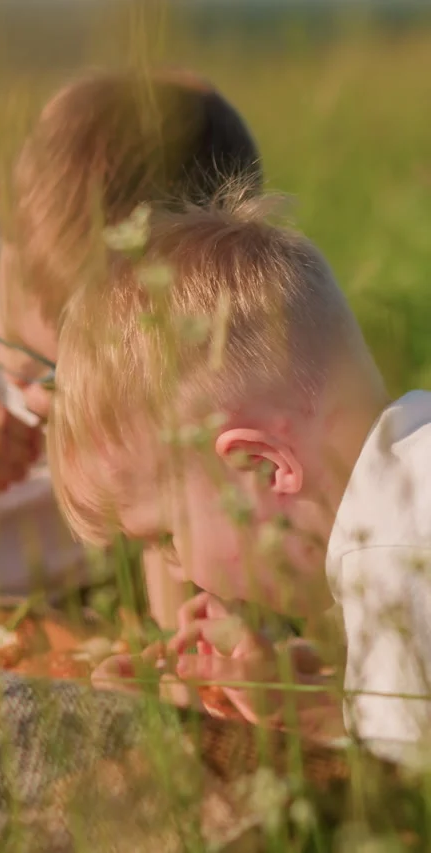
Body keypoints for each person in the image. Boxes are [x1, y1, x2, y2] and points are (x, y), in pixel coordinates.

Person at [49, 194, 431, 762]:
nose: (176, 569)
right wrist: (311, 703)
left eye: (166, 539)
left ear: (263, 465)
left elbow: (399, 808)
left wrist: (157, 737)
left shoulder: (390, 560)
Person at [0, 70, 262, 609]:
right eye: (32, 366)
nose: (40, 403)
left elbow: (182, 591)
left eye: (72, 383)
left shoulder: (207, 355)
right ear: (3, 210)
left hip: (74, 606)